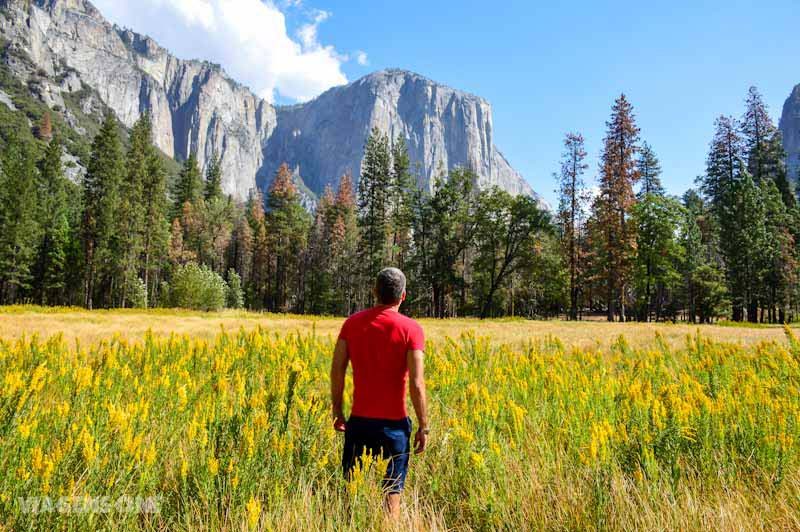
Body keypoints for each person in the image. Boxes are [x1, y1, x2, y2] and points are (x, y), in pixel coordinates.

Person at [330, 267, 429, 518]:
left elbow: (337, 370)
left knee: (349, 492)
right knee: (392, 493)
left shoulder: (352, 324)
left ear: (375, 292)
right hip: (394, 427)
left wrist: (337, 411)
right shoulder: (412, 329)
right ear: (403, 296)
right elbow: (417, 383)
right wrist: (423, 426)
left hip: (359, 423)